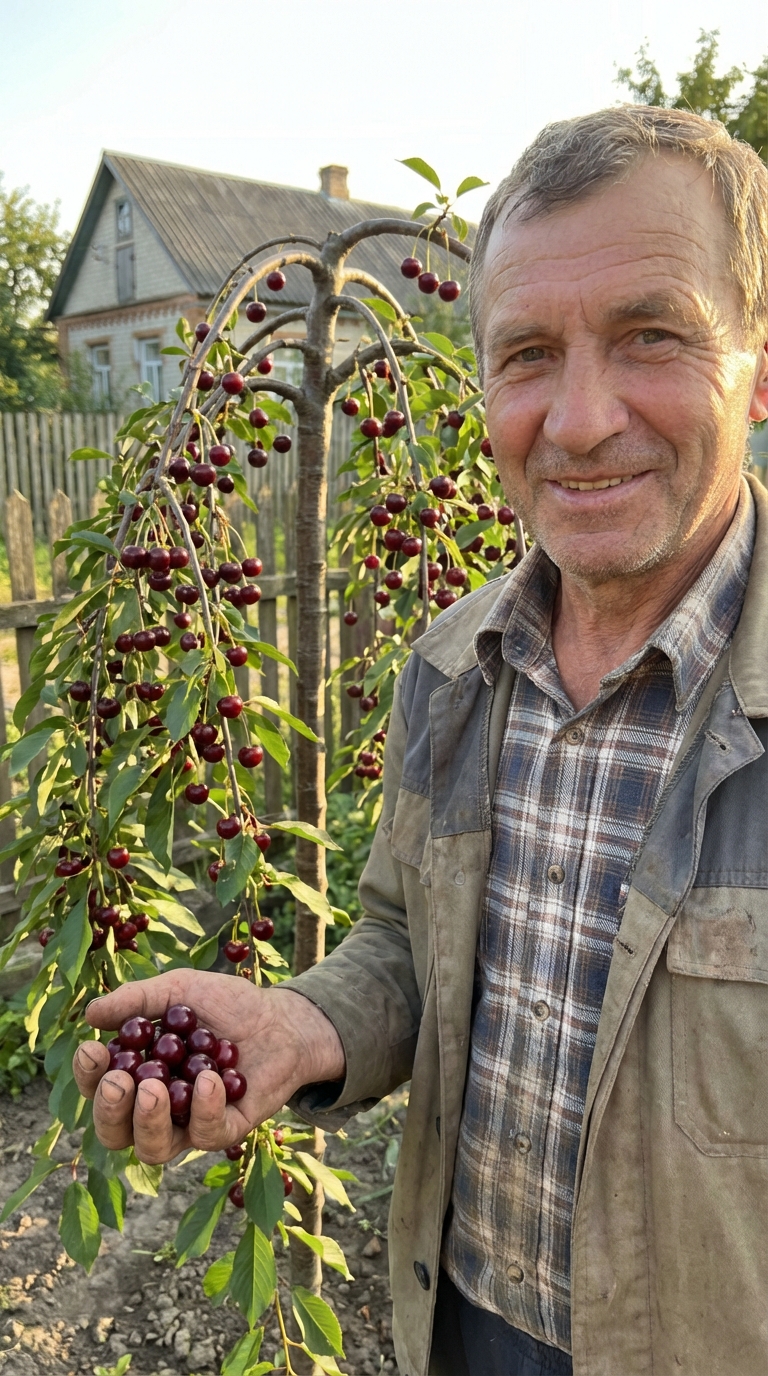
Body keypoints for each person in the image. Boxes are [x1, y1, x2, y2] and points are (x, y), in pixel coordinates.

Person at [73, 105, 768, 1376]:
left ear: (758, 368)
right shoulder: (455, 665)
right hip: (465, 1327)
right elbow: (407, 936)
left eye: (652, 335)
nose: (580, 419)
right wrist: (301, 1023)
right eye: (527, 354)